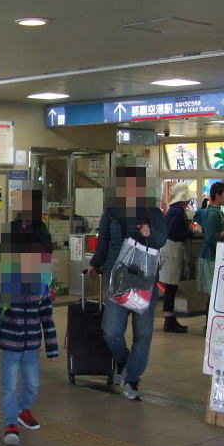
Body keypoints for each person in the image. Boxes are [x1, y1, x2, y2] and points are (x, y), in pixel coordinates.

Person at [0, 187, 57, 446]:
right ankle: (10, 424)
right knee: (10, 384)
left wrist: (52, 347)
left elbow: (47, 316)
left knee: (33, 385)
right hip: (11, 342)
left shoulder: (42, 234)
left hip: (32, 344)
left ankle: (23, 409)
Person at [88, 167, 167, 401]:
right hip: (118, 281)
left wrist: (149, 232)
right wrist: (95, 263)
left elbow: (162, 239)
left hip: (144, 282)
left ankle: (132, 378)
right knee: (111, 331)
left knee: (143, 334)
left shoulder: (152, 212)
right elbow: (103, 243)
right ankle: (123, 361)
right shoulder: (111, 212)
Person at [159, 183, 195, 333]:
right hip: (172, 251)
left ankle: (170, 318)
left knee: (171, 287)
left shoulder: (173, 210)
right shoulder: (178, 212)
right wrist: (190, 233)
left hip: (169, 250)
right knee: (171, 287)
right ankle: (169, 320)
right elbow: (173, 233)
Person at [196, 182, 224, 296]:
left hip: (213, 256)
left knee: (215, 294)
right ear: (217, 196)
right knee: (214, 293)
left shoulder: (217, 212)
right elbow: (210, 238)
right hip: (210, 257)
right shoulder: (213, 214)